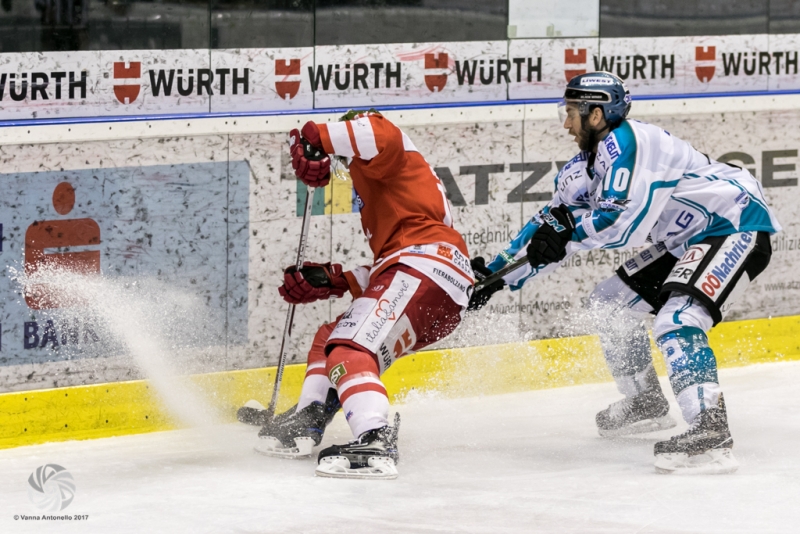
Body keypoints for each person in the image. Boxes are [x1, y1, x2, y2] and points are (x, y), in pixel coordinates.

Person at [470, 71, 780, 474]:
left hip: (733, 223)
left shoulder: (632, 143)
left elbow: (622, 226)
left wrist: (566, 235)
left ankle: (711, 433)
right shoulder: (585, 165)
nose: (566, 124)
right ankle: (645, 400)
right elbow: (550, 223)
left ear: (596, 114)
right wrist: (495, 277)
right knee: (611, 304)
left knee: (679, 319)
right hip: (685, 238)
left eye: (571, 113)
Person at [240, 109, 473, 479]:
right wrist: (336, 281)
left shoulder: (390, 148)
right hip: (431, 281)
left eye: (345, 156)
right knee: (330, 338)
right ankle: (309, 417)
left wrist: (316, 136)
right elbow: (396, 267)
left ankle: (375, 438)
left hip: (423, 268)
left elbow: (377, 132)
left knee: (350, 349)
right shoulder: (395, 191)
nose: (345, 165)